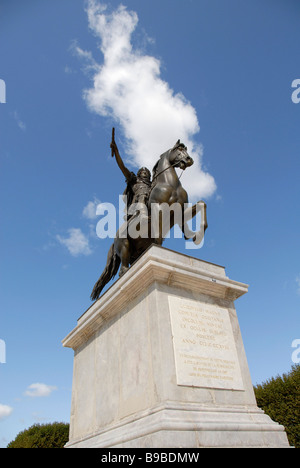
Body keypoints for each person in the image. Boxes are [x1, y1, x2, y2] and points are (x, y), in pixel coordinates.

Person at [110, 132, 151, 220]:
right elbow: (122, 167)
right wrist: (116, 151)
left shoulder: (152, 185)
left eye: (147, 172)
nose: (144, 172)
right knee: (143, 194)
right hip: (136, 205)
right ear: (138, 174)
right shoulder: (134, 180)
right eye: (142, 171)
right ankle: (142, 214)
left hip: (150, 205)